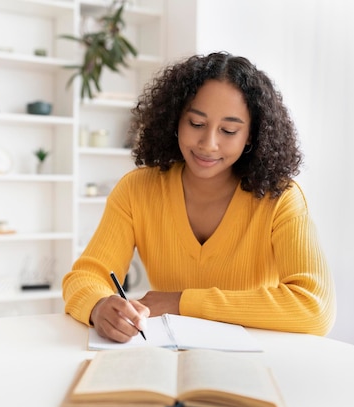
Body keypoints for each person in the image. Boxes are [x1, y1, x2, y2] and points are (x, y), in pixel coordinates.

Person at [62, 51, 336, 343]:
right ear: (175, 121)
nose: (209, 144)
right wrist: (99, 305)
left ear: (251, 136)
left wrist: (180, 302)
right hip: (168, 357)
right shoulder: (136, 190)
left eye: (229, 130)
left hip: (256, 362)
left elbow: (314, 308)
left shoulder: (280, 198)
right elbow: (85, 277)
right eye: (196, 124)